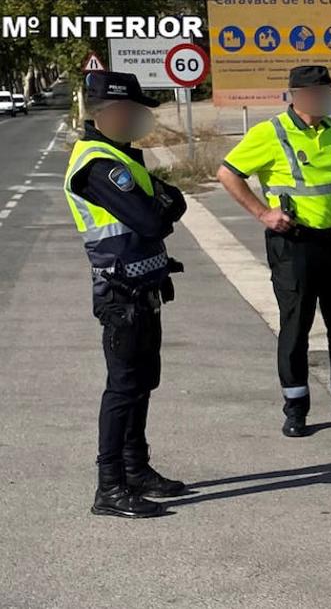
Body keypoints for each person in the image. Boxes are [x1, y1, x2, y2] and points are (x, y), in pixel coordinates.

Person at [217, 66, 331, 438]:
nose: (329, 98)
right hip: (294, 244)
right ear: (298, 95)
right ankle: (296, 407)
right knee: (297, 326)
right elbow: (228, 173)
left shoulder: (330, 128)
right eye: (321, 92)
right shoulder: (270, 133)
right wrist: (263, 213)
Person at [65, 71, 189, 518]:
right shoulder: (98, 165)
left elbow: (175, 200)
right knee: (123, 389)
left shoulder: (121, 156)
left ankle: (136, 469)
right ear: (111, 114)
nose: (141, 118)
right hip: (121, 296)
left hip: (145, 290)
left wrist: (160, 203)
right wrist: (159, 204)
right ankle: (110, 486)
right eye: (135, 111)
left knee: (142, 384)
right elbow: (156, 218)